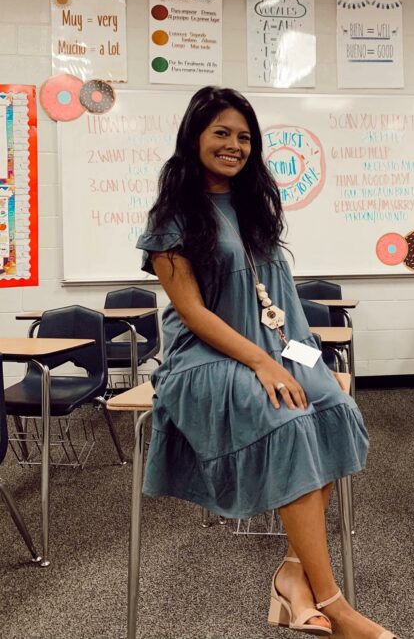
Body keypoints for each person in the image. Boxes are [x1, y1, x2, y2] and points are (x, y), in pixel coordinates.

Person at [136, 86, 398, 639]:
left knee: (333, 408)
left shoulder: (255, 207)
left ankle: (290, 576)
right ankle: (336, 604)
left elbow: (278, 303)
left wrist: (310, 361)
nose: (234, 145)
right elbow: (194, 315)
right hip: (204, 358)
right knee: (288, 421)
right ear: (195, 137)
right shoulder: (173, 218)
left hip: (275, 349)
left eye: (244, 137)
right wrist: (263, 364)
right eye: (222, 134)